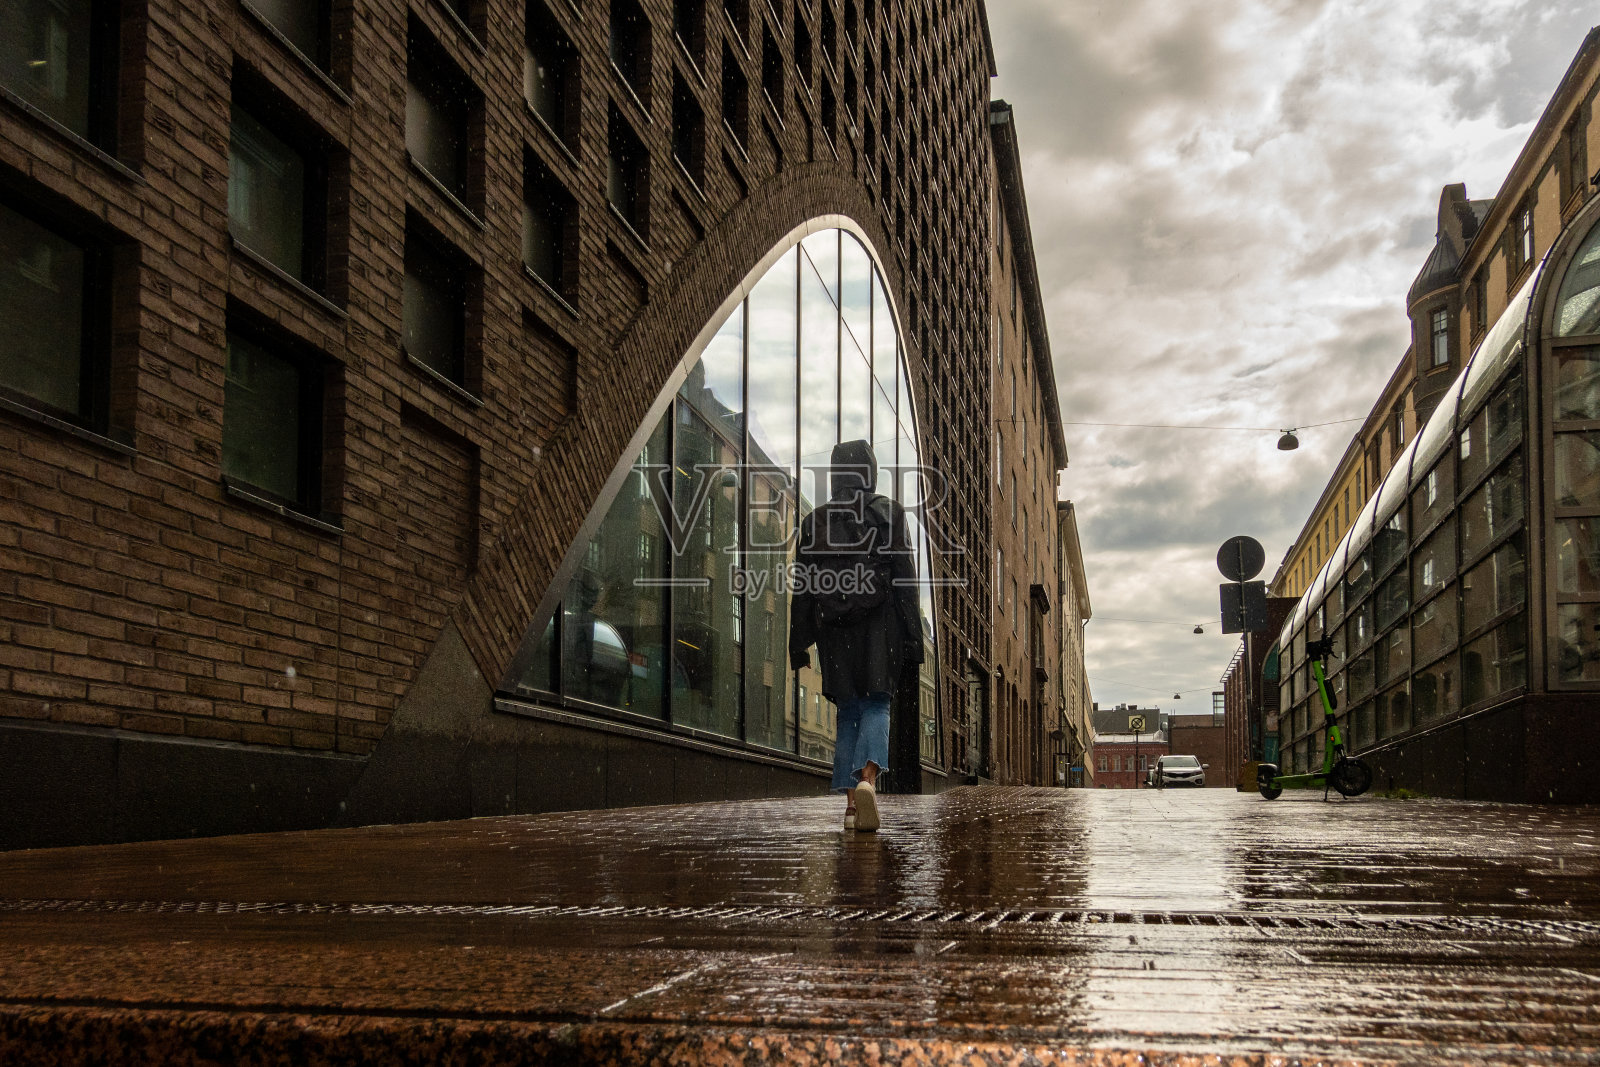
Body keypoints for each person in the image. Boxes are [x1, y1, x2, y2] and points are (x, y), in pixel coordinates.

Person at [789, 440, 923, 832]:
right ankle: (867, 780)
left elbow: (803, 587)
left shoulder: (814, 522)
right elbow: (905, 579)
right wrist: (913, 637)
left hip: (834, 630)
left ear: (835, 475)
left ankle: (851, 808)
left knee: (847, 711)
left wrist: (799, 643)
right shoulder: (889, 513)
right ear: (870, 472)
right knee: (877, 704)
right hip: (880, 626)